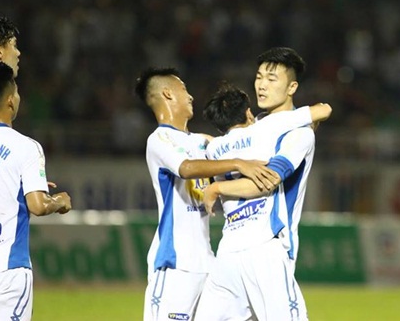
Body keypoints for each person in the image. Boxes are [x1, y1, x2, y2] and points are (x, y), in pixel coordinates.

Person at [134, 67, 281, 321]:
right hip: (174, 264)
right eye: (184, 89)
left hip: (208, 262)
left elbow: (240, 146)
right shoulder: (159, 139)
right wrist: (236, 163)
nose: (190, 96)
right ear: (168, 93)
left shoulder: (202, 141)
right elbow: (186, 168)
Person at [196, 47, 324, 321]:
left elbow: (267, 177)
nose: (261, 85)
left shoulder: (293, 134)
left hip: (244, 250)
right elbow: (267, 177)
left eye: (271, 78)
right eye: (258, 77)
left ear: (292, 87)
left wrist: (216, 186)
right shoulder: (269, 128)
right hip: (256, 249)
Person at [0, 62, 72, 321]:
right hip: (8, 271)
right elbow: (38, 205)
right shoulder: (26, 147)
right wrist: (60, 201)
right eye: (16, 93)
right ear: (9, 101)